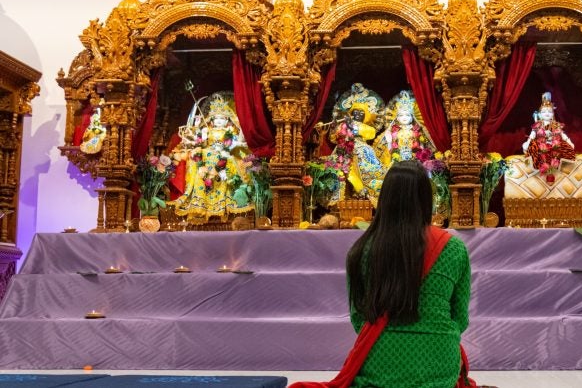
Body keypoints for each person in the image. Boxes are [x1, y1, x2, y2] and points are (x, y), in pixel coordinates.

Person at [289, 160, 474, 388]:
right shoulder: (453, 248)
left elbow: (360, 319)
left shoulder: (363, 249)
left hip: (380, 364)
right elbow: (460, 319)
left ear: (384, 199)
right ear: (427, 199)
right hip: (439, 364)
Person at [169, 92, 253, 221]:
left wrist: (239, 130)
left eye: (222, 118)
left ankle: (222, 202)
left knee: (229, 160)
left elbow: (236, 143)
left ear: (227, 120)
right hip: (207, 156)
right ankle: (200, 202)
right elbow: (200, 144)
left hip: (223, 157)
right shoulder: (207, 130)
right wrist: (202, 134)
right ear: (212, 120)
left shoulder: (230, 132)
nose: (219, 121)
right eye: (217, 118)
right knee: (196, 159)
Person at [374, 90, 437, 166]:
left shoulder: (417, 130)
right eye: (401, 115)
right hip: (398, 161)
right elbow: (390, 151)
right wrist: (389, 142)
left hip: (414, 161)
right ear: (397, 118)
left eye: (407, 115)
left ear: (412, 117)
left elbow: (421, 148)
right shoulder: (394, 131)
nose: (404, 118)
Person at [522, 91, 576, 174]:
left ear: (553, 114)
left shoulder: (556, 125)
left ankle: (557, 166)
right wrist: (527, 143)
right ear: (540, 113)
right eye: (544, 112)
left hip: (554, 146)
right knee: (533, 147)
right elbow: (532, 135)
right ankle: (540, 166)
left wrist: (569, 142)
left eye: (549, 112)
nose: (547, 114)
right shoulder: (538, 125)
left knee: (564, 147)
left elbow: (563, 135)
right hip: (541, 146)